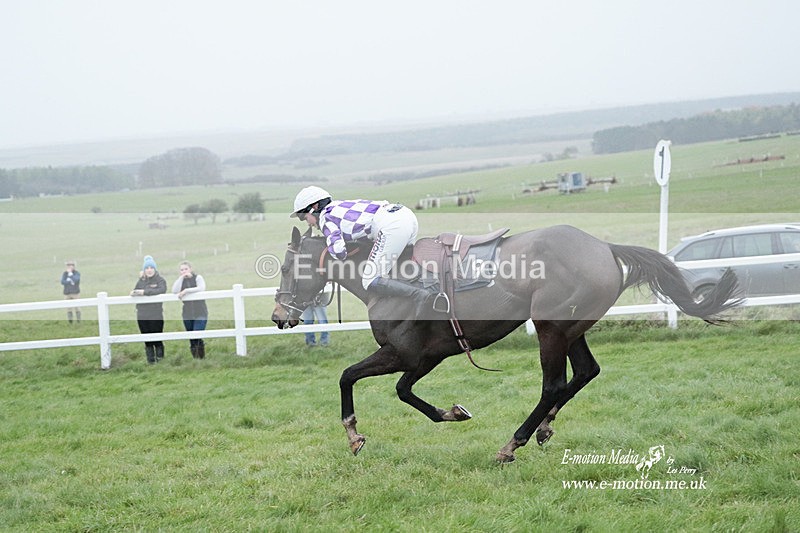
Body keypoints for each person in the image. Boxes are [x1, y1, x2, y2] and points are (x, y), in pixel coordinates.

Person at [290, 186, 436, 316]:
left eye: (304, 217)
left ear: (314, 207)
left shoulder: (325, 218)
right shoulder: (337, 206)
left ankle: (420, 295)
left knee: (369, 279)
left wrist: (325, 247)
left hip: (391, 226)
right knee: (400, 267)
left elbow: (339, 252)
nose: (307, 222)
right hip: (406, 216)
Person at [130, 255, 167, 364]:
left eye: (151, 268)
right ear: (144, 270)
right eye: (147, 268)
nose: (149, 270)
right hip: (142, 314)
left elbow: (161, 290)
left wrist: (144, 292)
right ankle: (150, 361)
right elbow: (135, 291)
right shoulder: (141, 281)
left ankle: (160, 361)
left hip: (156, 314)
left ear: (155, 269)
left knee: (157, 338)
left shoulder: (160, 280)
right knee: (147, 339)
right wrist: (138, 291)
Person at [172, 261, 208, 359]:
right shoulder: (181, 280)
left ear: (190, 269)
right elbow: (174, 291)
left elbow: (201, 288)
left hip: (200, 311)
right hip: (187, 313)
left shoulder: (198, 278)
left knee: (197, 334)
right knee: (191, 338)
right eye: (182, 270)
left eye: (186, 269)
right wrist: (181, 278)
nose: (184, 271)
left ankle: (201, 358)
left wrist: (186, 291)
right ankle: (196, 360)